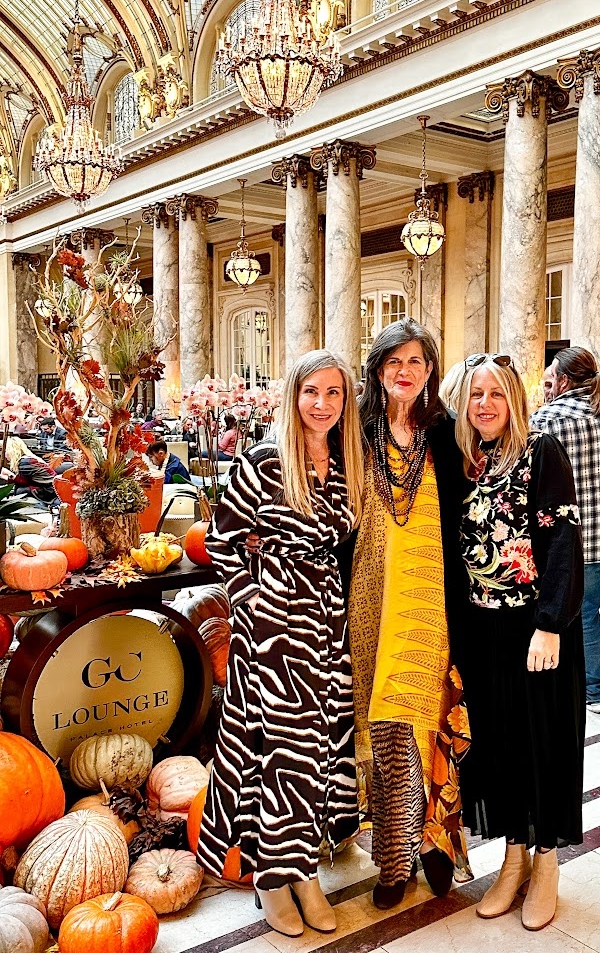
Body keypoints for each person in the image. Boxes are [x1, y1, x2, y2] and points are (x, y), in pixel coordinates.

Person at [197, 350, 364, 938]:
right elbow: (219, 543)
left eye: (334, 394)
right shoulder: (263, 462)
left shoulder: (346, 463)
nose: (322, 404)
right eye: (311, 392)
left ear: (346, 402)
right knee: (280, 754)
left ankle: (304, 870)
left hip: (326, 621)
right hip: (275, 623)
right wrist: (253, 602)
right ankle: (276, 878)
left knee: (318, 748)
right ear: (294, 396)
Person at [454, 353, 585, 931]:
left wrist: (551, 623)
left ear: (515, 401)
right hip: (484, 633)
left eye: (496, 394)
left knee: (542, 743)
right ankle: (511, 859)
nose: (485, 405)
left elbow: (562, 543)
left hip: (536, 628)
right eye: (475, 395)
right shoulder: (468, 463)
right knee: (499, 744)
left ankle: (546, 863)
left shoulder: (541, 453)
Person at [347, 318, 472, 911]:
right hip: (373, 596)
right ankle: (394, 857)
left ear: (429, 371)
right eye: (393, 361)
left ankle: (439, 846)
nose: (404, 371)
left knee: (431, 721)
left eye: (416, 361)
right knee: (389, 727)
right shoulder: (359, 432)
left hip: (432, 598)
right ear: (377, 369)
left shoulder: (445, 433)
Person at [530, 347, 600, 714]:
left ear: (563, 380)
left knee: (585, 616)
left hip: (580, 539)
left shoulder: (548, 419)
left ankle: (594, 690)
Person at [0, 436, 59, 508]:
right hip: (49, 486)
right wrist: (6, 475)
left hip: (48, 489)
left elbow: (24, 482)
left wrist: (7, 474)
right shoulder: (27, 459)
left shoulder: (24, 462)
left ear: (11, 451)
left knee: (20, 491)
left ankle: (40, 506)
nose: (5, 454)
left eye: (5, 451)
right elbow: (26, 480)